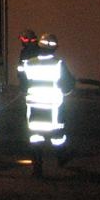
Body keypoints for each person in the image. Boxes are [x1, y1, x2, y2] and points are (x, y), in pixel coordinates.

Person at [22, 33, 75, 176]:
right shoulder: (58, 64)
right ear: (54, 48)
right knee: (57, 135)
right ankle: (61, 157)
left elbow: (23, 84)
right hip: (53, 107)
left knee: (35, 136)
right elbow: (69, 84)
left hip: (33, 106)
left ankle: (37, 167)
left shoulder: (29, 63)